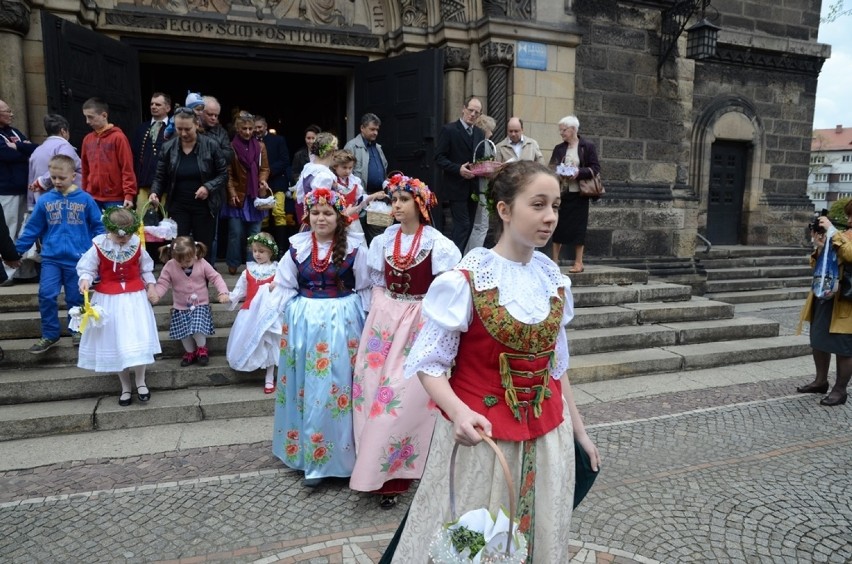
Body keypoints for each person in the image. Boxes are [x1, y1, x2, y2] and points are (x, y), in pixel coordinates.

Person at [386, 161, 600, 562]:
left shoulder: (553, 278)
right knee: (473, 540)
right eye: (537, 205)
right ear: (504, 210)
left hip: (549, 434)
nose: (550, 217)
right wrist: (458, 413)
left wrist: (580, 432)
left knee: (535, 536)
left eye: (554, 205)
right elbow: (429, 364)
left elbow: (557, 366)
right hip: (482, 441)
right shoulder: (465, 279)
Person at [349, 173, 461, 509]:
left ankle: (397, 473)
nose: (396, 206)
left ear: (420, 204)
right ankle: (371, 464)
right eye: (393, 200)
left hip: (419, 321)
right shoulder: (383, 241)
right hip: (385, 321)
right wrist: (379, 312)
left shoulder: (438, 245)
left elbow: (447, 291)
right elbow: (375, 281)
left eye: (403, 200)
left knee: (400, 394)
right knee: (370, 390)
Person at [270, 187, 371, 487]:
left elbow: (365, 288)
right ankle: (311, 458)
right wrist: (292, 316)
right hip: (306, 324)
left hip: (342, 322)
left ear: (340, 218)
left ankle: (341, 459)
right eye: (315, 213)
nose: (320, 218)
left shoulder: (355, 250)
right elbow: (284, 285)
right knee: (308, 387)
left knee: (337, 387)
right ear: (308, 216)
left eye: (328, 213)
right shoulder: (297, 247)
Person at [15, 155, 104, 353]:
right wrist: (16, 252)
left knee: (76, 298)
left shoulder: (85, 199)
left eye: (61, 178)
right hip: (51, 259)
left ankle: (78, 331)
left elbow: (99, 227)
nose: (56, 182)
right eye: (53, 177)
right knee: (46, 295)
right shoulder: (45, 200)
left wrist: (99, 253)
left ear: (73, 176)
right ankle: (50, 334)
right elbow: (32, 229)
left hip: (78, 259)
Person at [77, 207, 160, 406]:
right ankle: (125, 387)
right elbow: (87, 268)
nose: (123, 239)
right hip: (109, 298)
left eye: (127, 235)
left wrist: (151, 287)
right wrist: (85, 280)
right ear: (108, 230)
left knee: (136, 337)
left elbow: (146, 269)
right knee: (116, 341)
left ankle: (140, 382)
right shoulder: (99, 245)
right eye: (118, 235)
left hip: (134, 298)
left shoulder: (136, 245)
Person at [149, 106, 229, 255]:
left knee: (202, 249)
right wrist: (155, 192)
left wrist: (208, 187)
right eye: (179, 129)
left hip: (205, 207)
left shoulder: (211, 145)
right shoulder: (168, 147)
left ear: (197, 125)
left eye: (187, 129)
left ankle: (202, 278)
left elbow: (223, 174)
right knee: (179, 248)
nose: (183, 133)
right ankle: (180, 278)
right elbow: (160, 176)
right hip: (178, 205)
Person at [796, 210, 852, 407]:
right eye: (849, 215)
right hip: (826, 295)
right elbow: (818, 263)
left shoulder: (839, 235)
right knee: (818, 340)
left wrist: (832, 231)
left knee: (844, 346)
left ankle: (840, 390)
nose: (849, 219)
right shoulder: (842, 234)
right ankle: (820, 382)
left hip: (846, 300)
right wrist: (820, 246)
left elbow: (850, 254)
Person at [19, 113, 82, 282]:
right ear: (63, 131)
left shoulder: (37, 150)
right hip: (66, 200)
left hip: (43, 202)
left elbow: (30, 179)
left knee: (50, 238)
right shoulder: (64, 147)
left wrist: (32, 202)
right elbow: (64, 167)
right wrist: (44, 181)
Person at [150, 236, 230, 367]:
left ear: (195, 253)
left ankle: (201, 349)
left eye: (188, 261)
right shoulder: (170, 266)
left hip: (200, 304)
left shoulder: (202, 262)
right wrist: (157, 294)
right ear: (173, 256)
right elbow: (163, 283)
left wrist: (223, 292)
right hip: (181, 306)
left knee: (197, 328)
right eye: (180, 262)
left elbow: (216, 277)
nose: (185, 264)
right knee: (184, 332)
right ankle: (189, 352)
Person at [226, 232, 279, 393]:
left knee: (269, 342)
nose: (257, 254)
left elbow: (285, 289)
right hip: (249, 313)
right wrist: (229, 297)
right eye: (255, 251)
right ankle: (252, 364)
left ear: (270, 252)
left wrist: (276, 286)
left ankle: (269, 377)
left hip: (268, 314)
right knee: (250, 340)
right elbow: (240, 290)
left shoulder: (277, 271)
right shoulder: (248, 271)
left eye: (261, 251)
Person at [548, 115, 600, 273]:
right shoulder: (559, 148)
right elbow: (551, 167)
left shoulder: (587, 146)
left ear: (573, 130)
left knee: (579, 228)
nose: (561, 133)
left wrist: (578, 172)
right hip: (563, 192)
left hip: (580, 193)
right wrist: (560, 172)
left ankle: (579, 262)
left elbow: (595, 168)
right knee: (558, 226)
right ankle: (554, 261)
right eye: (560, 130)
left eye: (563, 130)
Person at [435, 96, 486, 254]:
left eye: (476, 113)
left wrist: (486, 167)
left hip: (473, 187)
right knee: (462, 225)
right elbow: (439, 158)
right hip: (456, 187)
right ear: (463, 108)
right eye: (470, 110)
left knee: (468, 226)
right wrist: (458, 169)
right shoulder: (449, 130)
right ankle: (453, 260)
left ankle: (458, 257)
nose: (472, 114)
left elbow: (480, 158)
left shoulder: (479, 133)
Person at [222, 111, 270, 275]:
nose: (248, 132)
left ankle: (252, 264)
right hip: (238, 194)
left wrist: (262, 179)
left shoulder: (260, 146)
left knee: (255, 233)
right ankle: (233, 262)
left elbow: (264, 168)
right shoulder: (231, 147)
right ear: (238, 129)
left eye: (251, 128)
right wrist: (232, 191)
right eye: (244, 128)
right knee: (235, 232)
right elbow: (227, 173)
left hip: (255, 195)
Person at [0, 99, 38, 284]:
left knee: (25, 231)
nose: (12, 114)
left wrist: (21, 148)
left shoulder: (14, 132)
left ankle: (25, 272)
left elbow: (34, 150)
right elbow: (6, 154)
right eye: (7, 111)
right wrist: (24, 149)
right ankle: (6, 274)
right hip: (5, 190)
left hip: (23, 189)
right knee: (8, 230)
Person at [80, 98, 137, 210]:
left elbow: (127, 168)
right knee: (95, 227)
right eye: (86, 117)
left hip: (115, 198)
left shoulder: (118, 138)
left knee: (116, 227)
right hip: (92, 196)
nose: (87, 121)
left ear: (104, 115)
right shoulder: (87, 140)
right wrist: (84, 193)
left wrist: (129, 195)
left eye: (90, 117)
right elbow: (85, 169)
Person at [343, 113, 389, 244]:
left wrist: (386, 182)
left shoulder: (377, 147)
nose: (375, 133)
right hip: (360, 200)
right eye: (372, 129)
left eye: (377, 130)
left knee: (378, 238)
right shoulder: (351, 146)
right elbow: (344, 173)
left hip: (377, 201)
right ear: (362, 128)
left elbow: (383, 168)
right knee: (358, 238)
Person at [255, 115, 292, 255]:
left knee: (279, 214)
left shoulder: (278, 140)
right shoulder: (251, 141)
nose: (257, 130)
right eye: (255, 127)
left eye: (260, 127)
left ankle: (281, 249)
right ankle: (265, 249)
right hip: (259, 185)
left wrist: (267, 172)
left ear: (265, 126)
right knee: (263, 217)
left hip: (277, 183)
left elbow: (285, 161)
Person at [131, 92, 173, 213]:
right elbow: (135, 156)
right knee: (142, 222)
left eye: (158, 104)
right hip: (144, 184)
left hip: (167, 186)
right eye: (152, 104)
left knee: (166, 224)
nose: (153, 106)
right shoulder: (141, 129)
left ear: (168, 108)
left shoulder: (175, 128)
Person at [330, 150, 386, 234]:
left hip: (353, 221)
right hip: (337, 222)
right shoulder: (331, 181)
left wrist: (374, 195)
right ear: (335, 166)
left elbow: (360, 201)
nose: (348, 171)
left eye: (350, 168)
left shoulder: (354, 181)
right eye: (344, 167)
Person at [465, 114, 496, 254]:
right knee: (481, 225)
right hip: (482, 188)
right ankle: (473, 255)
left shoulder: (478, 143)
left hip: (479, 188)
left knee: (478, 225)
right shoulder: (484, 144)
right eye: (490, 129)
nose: (492, 132)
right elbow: (484, 166)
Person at [294, 131, 338, 226]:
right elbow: (322, 208)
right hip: (320, 225)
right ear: (332, 152)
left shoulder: (309, 168)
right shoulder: (323, 176)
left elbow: (300, 199)